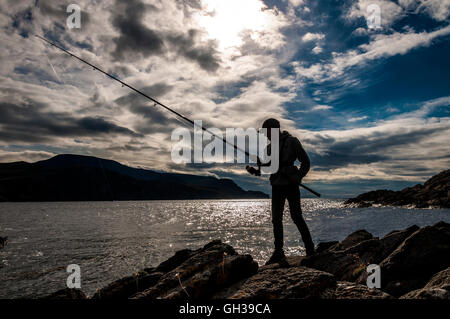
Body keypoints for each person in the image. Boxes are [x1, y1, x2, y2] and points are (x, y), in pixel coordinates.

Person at [247, 118, 315, 265]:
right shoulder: (269, 148)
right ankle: (279, 251)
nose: (265, 135)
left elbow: (306, 162)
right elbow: (268, 168)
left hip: (291, 185)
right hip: (277, 186)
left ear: (273, 130)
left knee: (296, 216)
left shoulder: (292, 142)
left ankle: (310, 250)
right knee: (276, 219)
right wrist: (259, 164)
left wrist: (298, 176)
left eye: (266, 132)